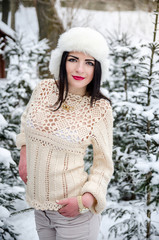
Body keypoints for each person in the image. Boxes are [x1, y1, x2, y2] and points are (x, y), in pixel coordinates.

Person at [16, 27, 114, 240]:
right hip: (40, 210)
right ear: (62, 60)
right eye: (73, 59)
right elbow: (27, 122)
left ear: (97, 69)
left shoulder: (99, 108)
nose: (80, 68)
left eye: (89, 63)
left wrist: (85, 201)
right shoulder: (43, 90)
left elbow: (103, 164)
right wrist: (24, 154)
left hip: (74, 214)